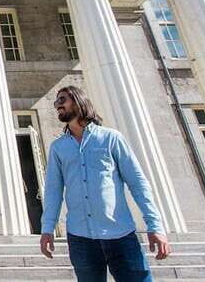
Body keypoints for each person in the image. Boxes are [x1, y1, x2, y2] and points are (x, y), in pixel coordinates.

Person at [40, 85, 171, 282]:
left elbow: (137, 183)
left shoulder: (111, 138)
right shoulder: (58, 147)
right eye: (56, 101)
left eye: (62, 100)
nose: (57, 105)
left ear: (78, 101)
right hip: (80, 238)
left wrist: (155, 226)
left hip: (120, 234)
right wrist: (47, 228)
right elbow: (53, 191)